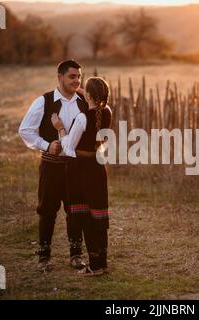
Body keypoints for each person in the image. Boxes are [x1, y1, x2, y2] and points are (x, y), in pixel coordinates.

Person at [18, 59, 88, 272]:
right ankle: (44, 257)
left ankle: (76, 255)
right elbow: (25, 130)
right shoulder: (44, 101)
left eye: (78, 76)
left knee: (75, 210)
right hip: (51, 166)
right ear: (60, 77)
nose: (76, 80)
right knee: (47, 211)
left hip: (76, 168)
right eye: (72, 76)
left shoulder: (83, 102)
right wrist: (46, 145)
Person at [51, 77, 112, 276]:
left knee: (86, 217)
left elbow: (69, 147)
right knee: (99, 216)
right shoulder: (107, 112)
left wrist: (60, 128)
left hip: (82, 170)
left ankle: (94, 266)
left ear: (88, 95)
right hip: (98, 167)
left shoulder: (83, 118)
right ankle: (101, 263)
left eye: (85, 88)